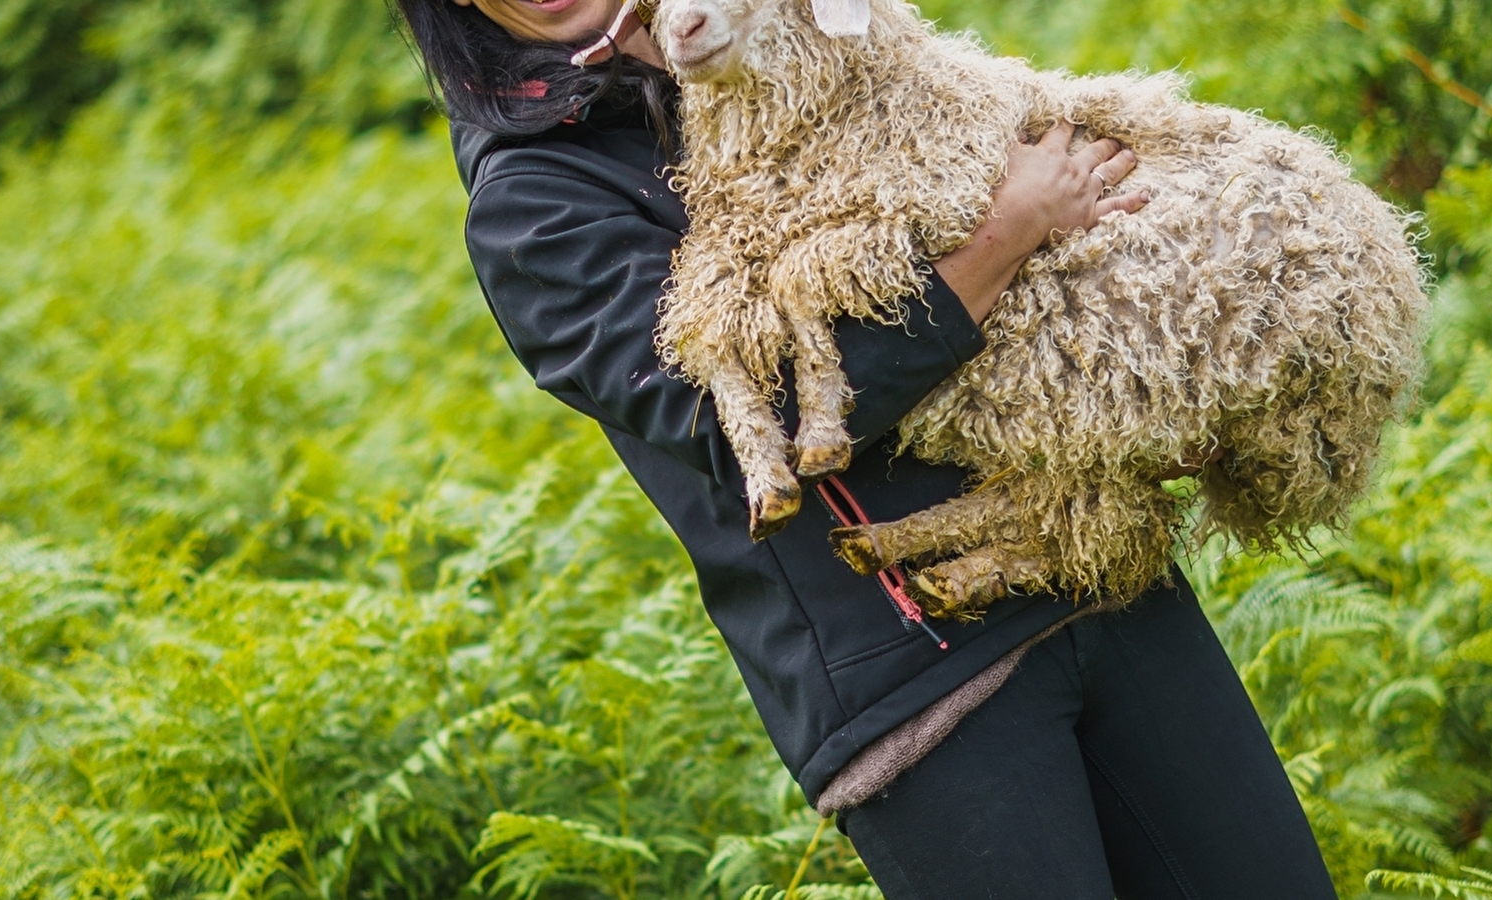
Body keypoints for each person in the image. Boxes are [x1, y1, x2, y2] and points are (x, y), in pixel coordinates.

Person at [392, 0, 1341, 896]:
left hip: (1096, 571)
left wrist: (1153, 391)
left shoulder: (795, 32)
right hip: (916, 674)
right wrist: (1008, 233)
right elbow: (735, 422)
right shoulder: (534, 200)